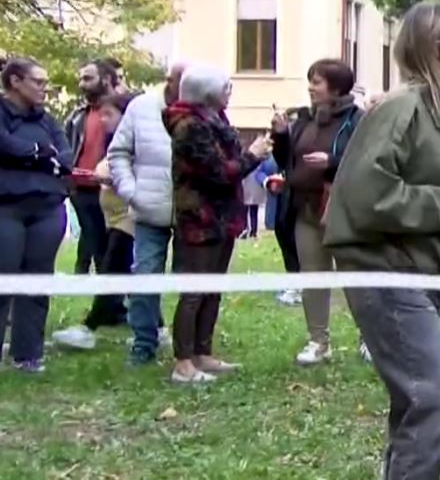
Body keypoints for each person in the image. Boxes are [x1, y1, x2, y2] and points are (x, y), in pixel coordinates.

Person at [323, 1, 440, 480]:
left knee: (415, 407)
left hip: (431, 277)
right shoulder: (402, 109)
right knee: (434, 404)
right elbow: (363, 195)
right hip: (388, 272)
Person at [164, 64, 272, 383]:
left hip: (222, 217)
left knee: (213, 288)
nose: (230, 92)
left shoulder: (215, 119)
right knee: (194, 291)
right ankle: (183, 363)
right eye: (225, 86)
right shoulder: (188, 125)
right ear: (207, 91)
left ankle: (203, 353)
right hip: (200, 217)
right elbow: (219, 172)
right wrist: (253, 156)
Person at [269, 58, 364, 366]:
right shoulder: (303, 119)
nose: (310, 87)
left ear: (335, 88)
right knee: (312, 276)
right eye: (310, 80)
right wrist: (282, 135)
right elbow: (287, 161)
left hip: (342, 209)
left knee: (355, 277)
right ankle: (318, 341)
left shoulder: (357, 120)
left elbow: (365, 160)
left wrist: (332, 162)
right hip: (305, 209)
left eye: (317, 82)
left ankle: (370, 339)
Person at [108, 61, 184, 365]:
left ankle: (189, 348)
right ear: (171, 81)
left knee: (190, 282)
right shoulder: (141, 107)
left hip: (190, 213)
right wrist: (131, 191)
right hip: (148, 209)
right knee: (145, 276)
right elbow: (118, 153)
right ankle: (143, 343)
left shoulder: (205, 106)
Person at [52, 92, 140, 350]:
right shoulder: (116, 141)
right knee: (124, 276)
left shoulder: (137, 143)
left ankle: (88, 329)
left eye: (109, 114)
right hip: (115, 219)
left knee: (113, 272)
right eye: (101, 114)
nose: (102, 120)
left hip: (129, 219)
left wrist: (110, 177)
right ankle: (155, 328)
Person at [0, 57, 72, 373]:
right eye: (38, 82)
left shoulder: (48, 120)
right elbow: (8, 146)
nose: (45, 88)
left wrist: (43, 156)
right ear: (15, 81)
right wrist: (37, 154)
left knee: (38, 279)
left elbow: (66, 155)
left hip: (48, 207)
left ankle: (28, 355)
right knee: (4, 278)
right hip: (7, 206)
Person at [65, 60, 116, 277]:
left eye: (88, 78)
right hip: (82, 191)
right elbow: (68, 149)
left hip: (112, 191)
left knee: (113, 251)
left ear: (105, 80)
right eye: (81, 79)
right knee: (97, 247)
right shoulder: (78, 116)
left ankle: (109, 305)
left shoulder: (123, 112)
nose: (82, 84)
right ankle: (105, 304)